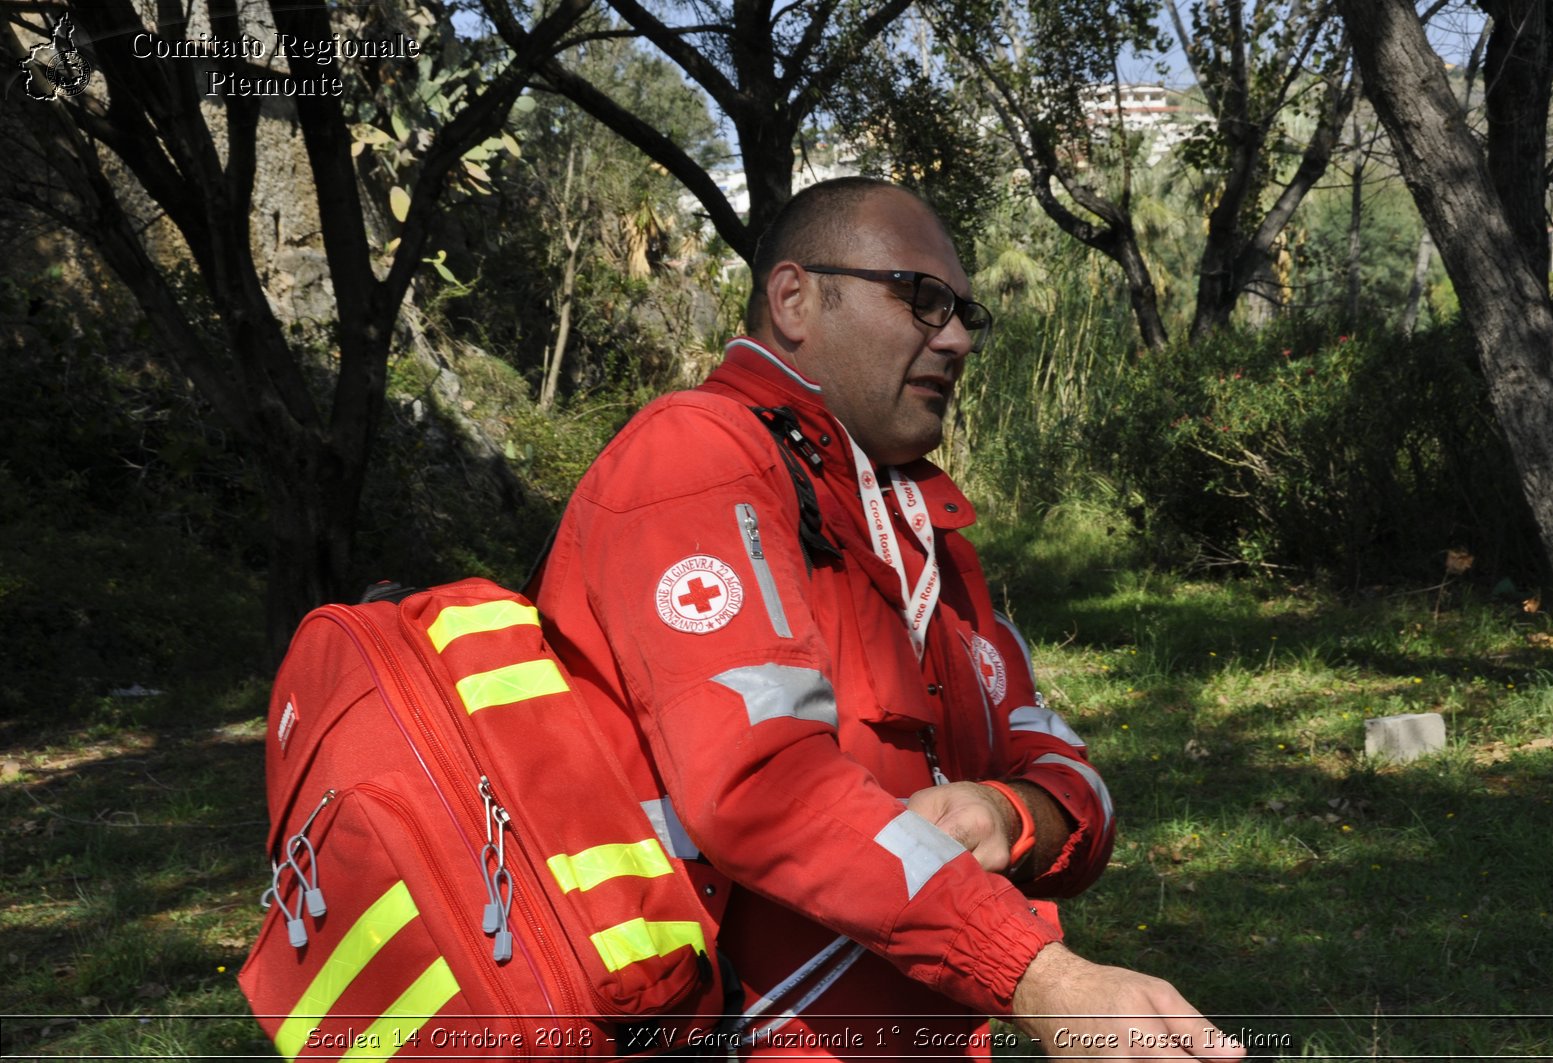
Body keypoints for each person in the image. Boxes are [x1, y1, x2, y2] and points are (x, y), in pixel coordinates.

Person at [529, 177, 1244, 1060]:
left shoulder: (929, 530)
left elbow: (1069, 778)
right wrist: (1040, 977)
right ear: (794, 298)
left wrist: (1009, 811)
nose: (953, 338)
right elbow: (762, 788)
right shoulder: (696, 460)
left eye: (963, 314)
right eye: (921, 299)